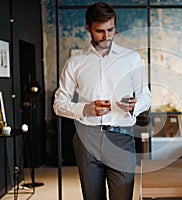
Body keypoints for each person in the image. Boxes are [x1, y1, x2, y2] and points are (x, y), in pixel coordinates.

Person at [53, 2, 151, 200]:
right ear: (88, 28)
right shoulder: (75, 62)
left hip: (121, 138)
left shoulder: (131, 58)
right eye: (100, 31)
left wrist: (134, 106)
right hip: (86, 138)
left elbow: (145, 96)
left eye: (111, 30)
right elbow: (58, 103)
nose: (106, 37)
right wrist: (84, 109)